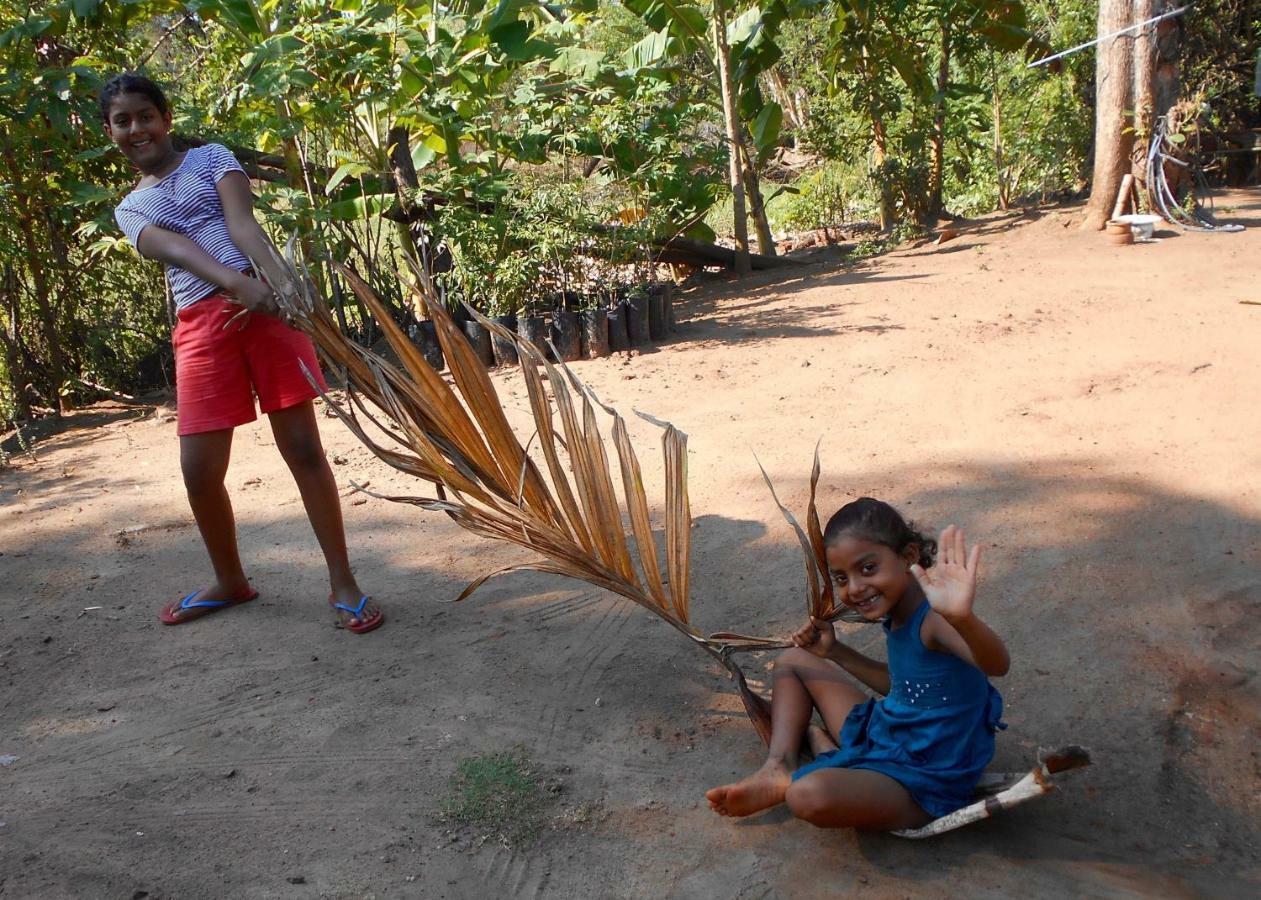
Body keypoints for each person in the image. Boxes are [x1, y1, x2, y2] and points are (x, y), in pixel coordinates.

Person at [100, 72, 384, 634]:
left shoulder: (212, 159)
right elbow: (179, 250)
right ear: (111, 131)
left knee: (302, 447)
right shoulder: (130, 210)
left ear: (166, 118)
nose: (136, 129)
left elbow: (244, 226)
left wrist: (284, 289)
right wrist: (236, 285)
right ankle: (230, 581)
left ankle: (343, 582)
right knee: (198, 470)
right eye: (122, 120)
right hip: (204, 322)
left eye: (145, 116)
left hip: (269, 304)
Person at [706, 498, 1008, 830]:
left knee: (807, 797)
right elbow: (904, 687)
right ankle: (779, 766)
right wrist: (835, 652)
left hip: (929, 772)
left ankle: (830, 757)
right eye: (841, 578)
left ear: (908, 556)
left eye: (867, 568)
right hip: (895, 733)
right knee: (794, 659)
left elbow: (995, 664)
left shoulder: (936, 618)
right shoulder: (899, 613)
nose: (855, 588)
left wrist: (963, 619)